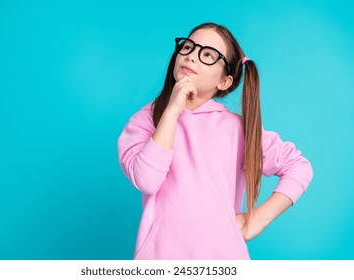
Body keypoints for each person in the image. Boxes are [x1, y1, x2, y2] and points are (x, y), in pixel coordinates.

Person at [117, 22, 314, 260]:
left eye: (208, 54)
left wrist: (258, 219)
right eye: (188, 47)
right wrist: (172, 111)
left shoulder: (237, 129)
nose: (191, 57)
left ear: (224, 82)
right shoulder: (145, 120)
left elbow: (298, 166)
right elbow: (147, 180)